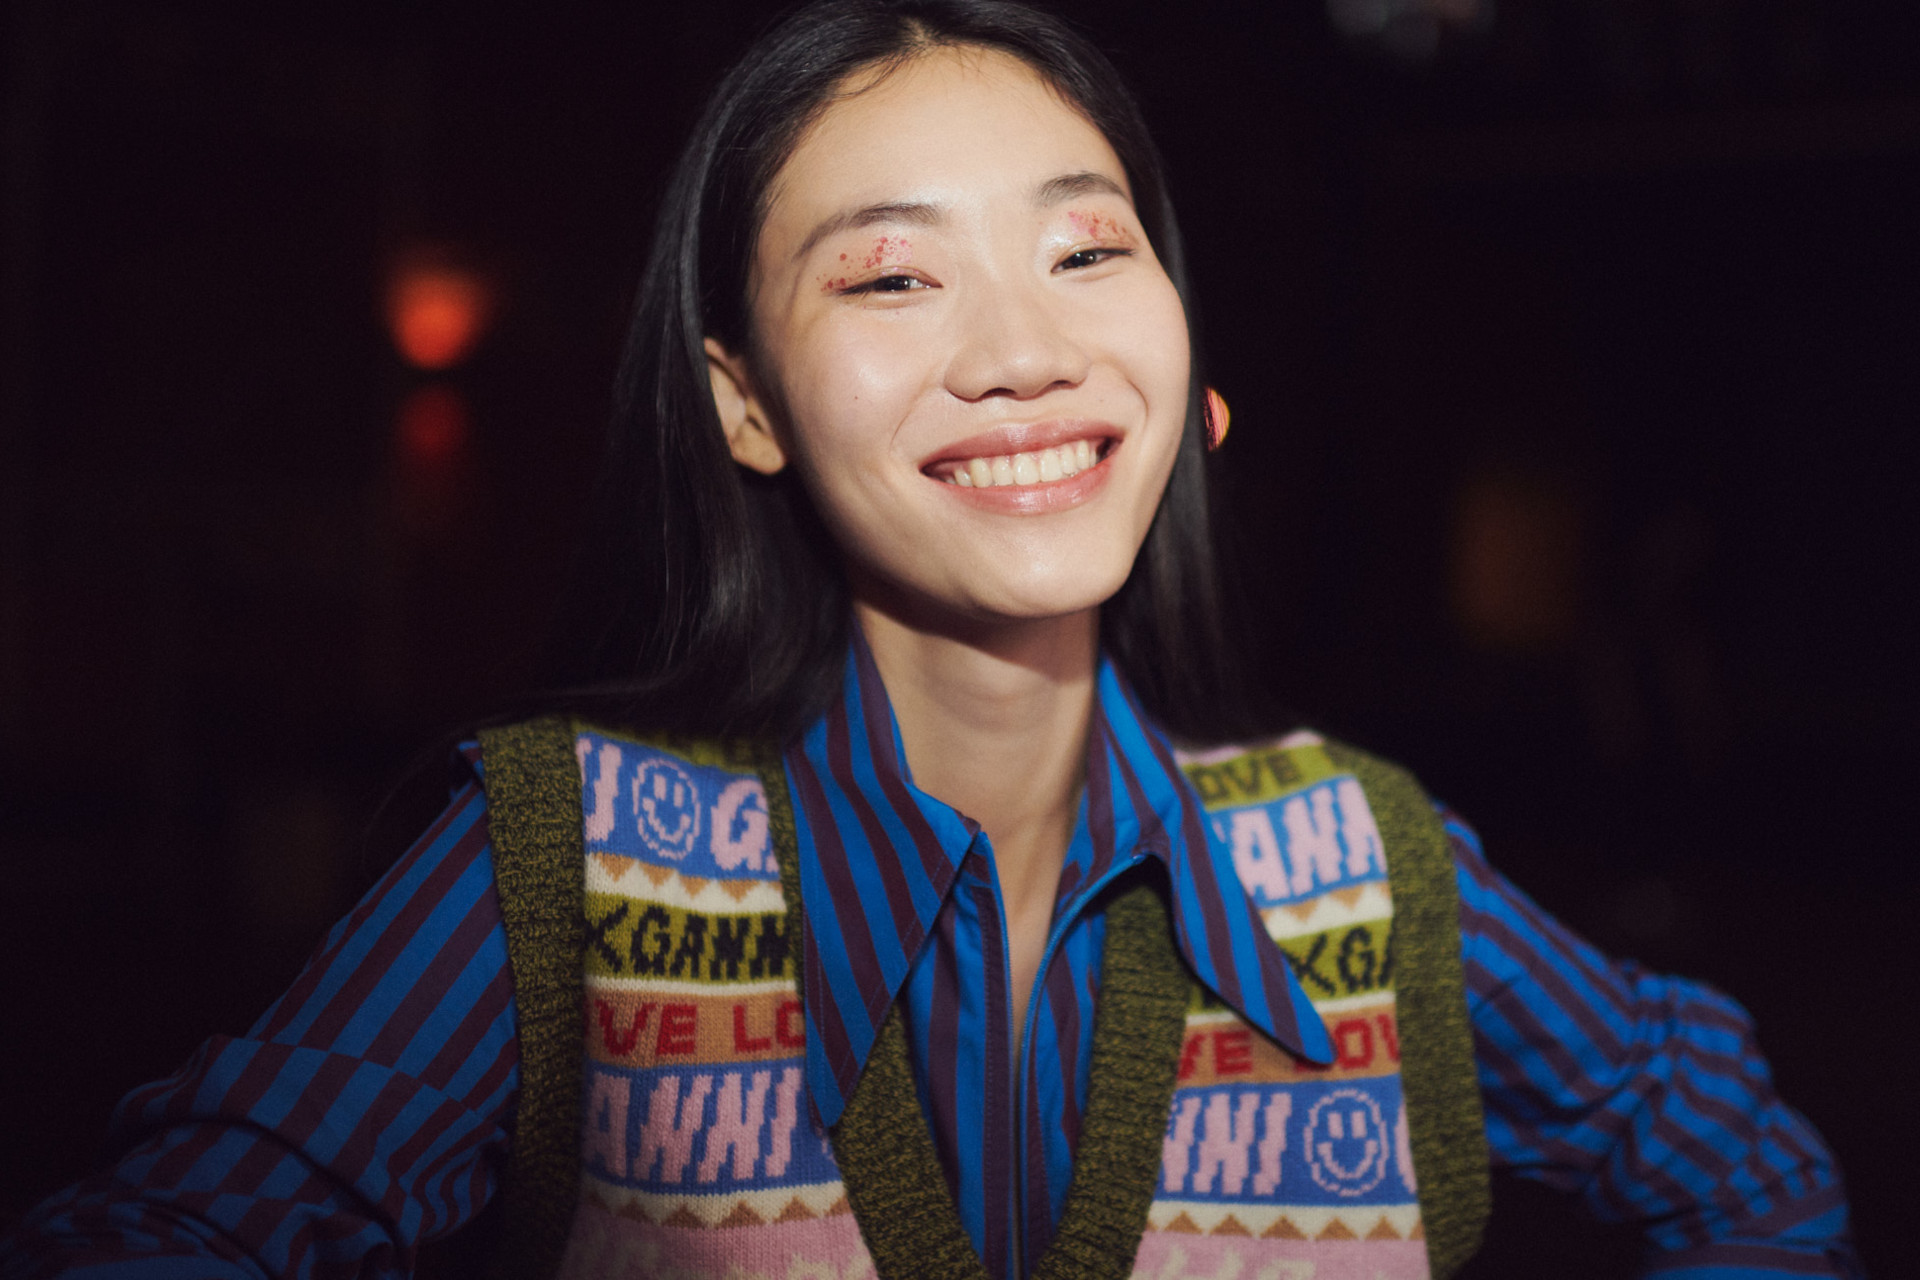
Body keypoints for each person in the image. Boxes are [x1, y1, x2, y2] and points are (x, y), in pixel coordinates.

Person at [0, 2, 1858, 1277]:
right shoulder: (557, 877)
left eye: (1085, 250)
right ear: (745, 405)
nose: (1024, 350)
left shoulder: (1358, 867)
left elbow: (1736, 1155)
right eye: (892, 276)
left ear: (1182, 366)